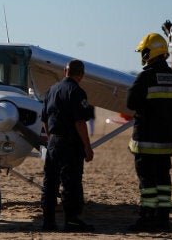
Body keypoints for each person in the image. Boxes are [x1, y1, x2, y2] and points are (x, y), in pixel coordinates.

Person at [126, 32, 172, 232]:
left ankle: (147, 218)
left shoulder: (146, 76)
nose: (143, 55)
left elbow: (130, 102)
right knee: (163, 180)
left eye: (145, 51)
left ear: (152, 52)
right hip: (165, 140)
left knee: (147, 182)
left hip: (147, 140)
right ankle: (163, 218)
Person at [40, 59, 95, 232]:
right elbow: (80, 122)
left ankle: (48, 221)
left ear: (65, 71)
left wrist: (52, 139)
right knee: (71, 182)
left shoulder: (51, 90)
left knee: (50, 182)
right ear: (81, 75)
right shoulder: (77, 91)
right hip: (70, 143)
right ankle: (71, 220)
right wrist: (87, 146)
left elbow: (45, 120)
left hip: (54, 142)